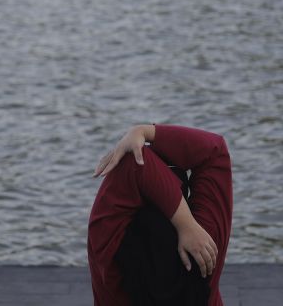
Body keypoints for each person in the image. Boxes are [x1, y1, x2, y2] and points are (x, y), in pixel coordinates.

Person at [87, 123, 233, 306]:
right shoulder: (206, 251)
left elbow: (136, 162)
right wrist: (143, 131)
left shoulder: (111, 264)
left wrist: (184, 222)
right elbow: (215, 151)